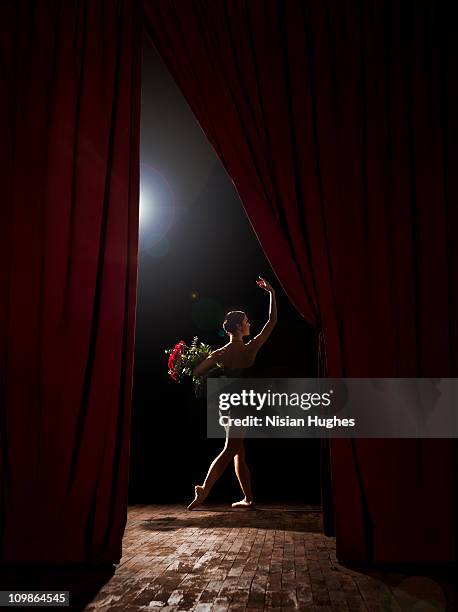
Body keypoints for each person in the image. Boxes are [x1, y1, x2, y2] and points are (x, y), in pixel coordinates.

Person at [187, 276, 277, 510]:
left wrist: (215, 377)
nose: (249, 324)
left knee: (239, 450)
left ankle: (247, 498)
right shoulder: (250, 348)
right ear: (238, 327)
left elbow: (196, 371)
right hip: (242, 404)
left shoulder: (220, 353)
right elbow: (272, 321)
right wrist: (272, 293)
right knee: (231, 449)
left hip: (228, 404)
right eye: (246, 321)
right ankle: (204, 490)